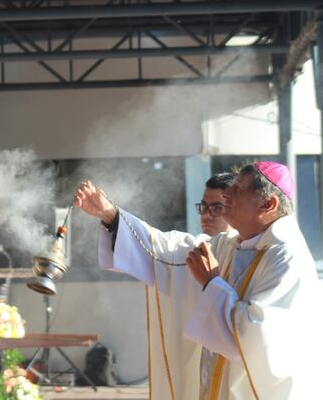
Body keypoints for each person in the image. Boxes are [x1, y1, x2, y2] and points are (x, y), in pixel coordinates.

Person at [75, 162, 320, 400]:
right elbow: (169, 253)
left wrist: (211, 283)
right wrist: (109, 215)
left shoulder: (286, 258)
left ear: (268, 203)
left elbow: (259, 336)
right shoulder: (229, 246)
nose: (226, 195)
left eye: (237, 189)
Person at [198, 172, 235, 236]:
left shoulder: (252, 245)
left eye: (217, 208)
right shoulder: (195, 244)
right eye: (204, 207)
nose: (205, 216)